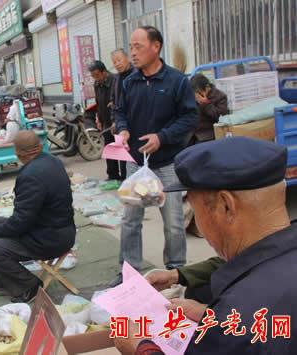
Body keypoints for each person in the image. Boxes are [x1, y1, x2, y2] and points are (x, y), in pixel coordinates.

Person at [114, 137, 297, 354]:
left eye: (194, 208)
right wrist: (210, 316)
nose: (196, 221)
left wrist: (139, 346)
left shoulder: (239, 312)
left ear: (226, 206)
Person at [111, 26, 197, 285]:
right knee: (130, 221)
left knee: (173, 223)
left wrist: (163, 137)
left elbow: (190, 117)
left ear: (156, 46)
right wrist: (124, 129)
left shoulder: (177, 81)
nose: (132, 53)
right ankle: (129, 272)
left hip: (168, 163)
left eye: (138, 47)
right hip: (137, 165)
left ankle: (176, 271)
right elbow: (120, 112)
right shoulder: (129, 82)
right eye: (131, 47)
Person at [0, 131, 76, 303]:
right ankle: (3, 278)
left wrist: (1, 233)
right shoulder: (52, 161)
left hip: (50, 239)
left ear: (19, 154)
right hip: (59, 230)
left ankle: (29, 287)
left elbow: (20, 222)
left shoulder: (30, 176)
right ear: (39, 147)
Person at [87, 60, 125, 182]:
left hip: (118, 121)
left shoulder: (116, 80)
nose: (95, 78)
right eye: (93, 76)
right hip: (106, 121)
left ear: (104, 72)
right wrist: (99, 118)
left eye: (97, 75)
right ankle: (113, 175)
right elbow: (99, 102)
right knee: (110, 148)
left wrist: (116, 121)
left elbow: (118, 102)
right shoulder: (97, 84)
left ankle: (124, 177)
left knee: (121, 149)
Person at [189, 73, 229, 143]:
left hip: (208, 134)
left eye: (198, 92)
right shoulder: (191, 97)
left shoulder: (220, 97)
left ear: (207, 87)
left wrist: (206, 104)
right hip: (192, 134)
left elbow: (220, 118)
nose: (196, 95)